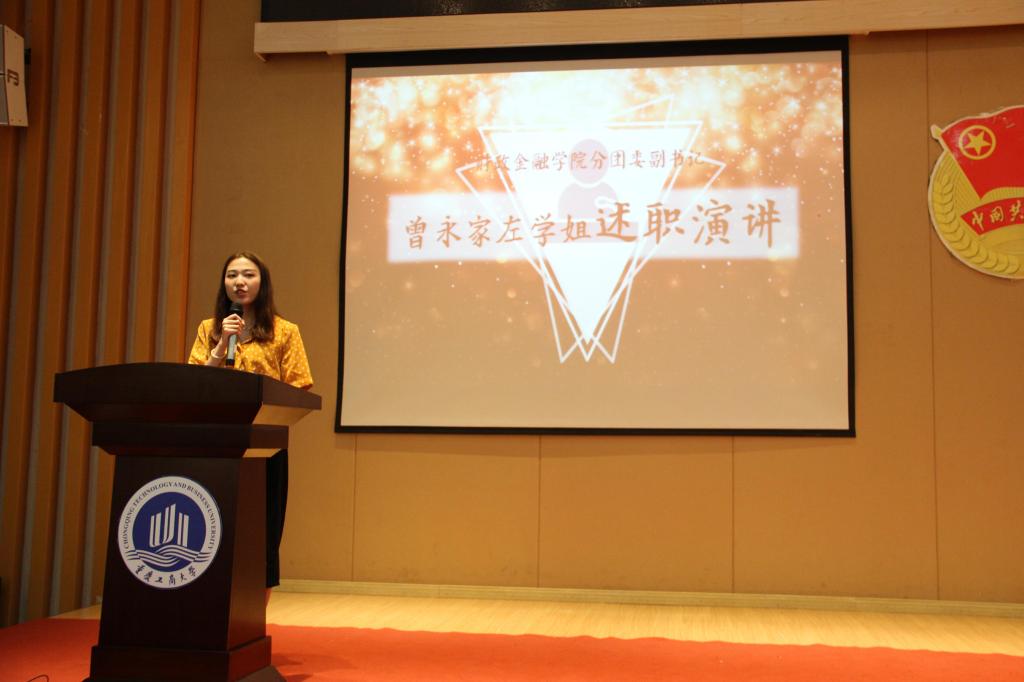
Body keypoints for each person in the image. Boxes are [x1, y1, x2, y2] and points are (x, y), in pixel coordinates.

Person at [188, 251, 312, 600]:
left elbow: (299, 387)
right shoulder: (209, 329)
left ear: (262, 282)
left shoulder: (284, 331)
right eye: (232, 275)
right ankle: (211, 606)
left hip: (265, 445)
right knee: (214, 525)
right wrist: (219, 348)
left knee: (262, 532)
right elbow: (193, 382)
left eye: (248, 275)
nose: (239, 282)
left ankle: (254, 616)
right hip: (217, 443)